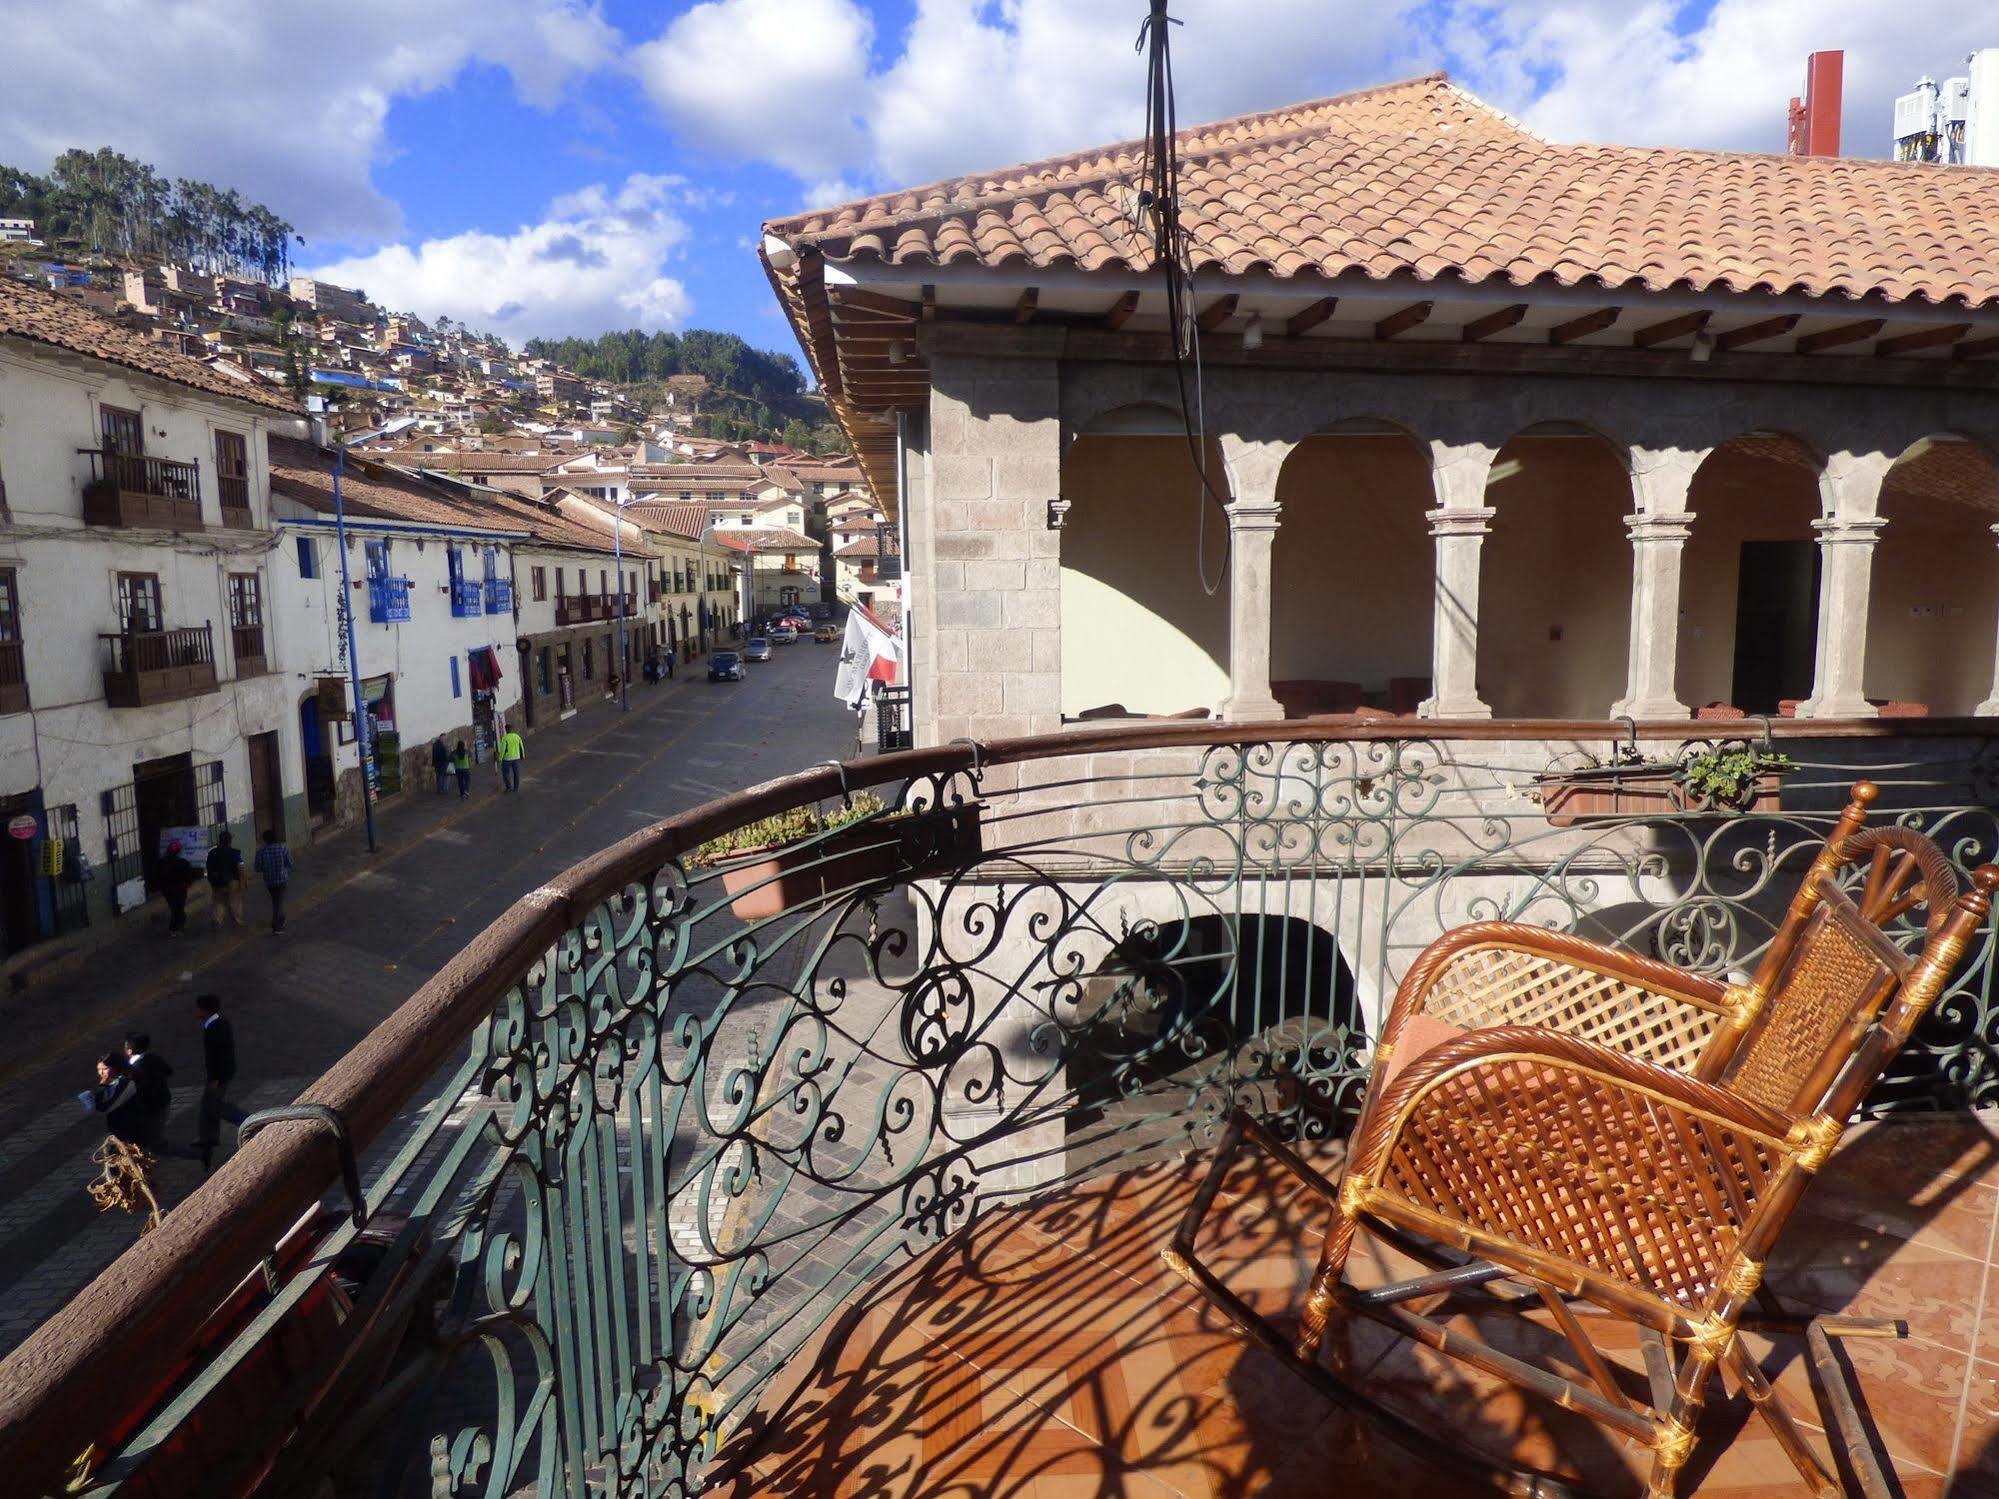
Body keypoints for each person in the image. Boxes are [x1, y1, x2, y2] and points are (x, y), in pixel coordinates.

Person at [191, 994, 249, 1171]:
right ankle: (208, 1138)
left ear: (204, 1010)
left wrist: (216, 1079)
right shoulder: (217, 1024)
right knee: (210, 1107)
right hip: (220, 1075)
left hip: (218, 1076)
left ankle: (247, 1121)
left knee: (216, 1107)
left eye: (198, 1008)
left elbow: (218, 1057)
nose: (195, 1011)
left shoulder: (215, 1028)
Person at [122, 1031, 173, 1154]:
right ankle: (159, 1145)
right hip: (163, 1099)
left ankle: (153, 1152)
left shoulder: (133, 1069)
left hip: (148, 1107)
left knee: (147, 1133)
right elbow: (169, 1071)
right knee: (158, 1128)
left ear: (129, 1050)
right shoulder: (154, 1058)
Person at [79, 1052, 143, 1144]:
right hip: (123, 1129)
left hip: (131, 1131)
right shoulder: (118, 1080)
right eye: (99, 1069)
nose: (101, 1073)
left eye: (105, 1069)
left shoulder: (126, 1082)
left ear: (116, 1067)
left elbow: (104, 1107)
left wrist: (102, 1086)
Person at [253, 827, 292, 933]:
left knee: (276, 900)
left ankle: (281, 918)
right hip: (282, 879)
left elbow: (257, 868)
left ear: (265, 840)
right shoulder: (283, 849)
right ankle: (276, 925)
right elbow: (289, 863)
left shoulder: (261, 852)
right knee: (278, 901)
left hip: (269, 881)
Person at [205, 829, 245, 929]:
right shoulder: (235, 852)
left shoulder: (212, 853)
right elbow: (240, 867)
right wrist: (243, 881)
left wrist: (211, 880)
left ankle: (217, 921)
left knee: (218, 902)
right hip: (232, 882)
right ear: (230, 841)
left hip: (217, 881)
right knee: (235, 902)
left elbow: (209, 867)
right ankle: (236, 921)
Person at [498, 725, 524, 792]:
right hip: (516, 758)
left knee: (505, 773)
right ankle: (516, 788)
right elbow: (521, 746)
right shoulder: (517, 736)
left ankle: (509, 787)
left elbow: (502, 750)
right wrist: (523, 755)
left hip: (507, 759)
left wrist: (500, 759)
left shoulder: (505, 738)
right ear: (512, 729)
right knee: (516, 773)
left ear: (506, 730)